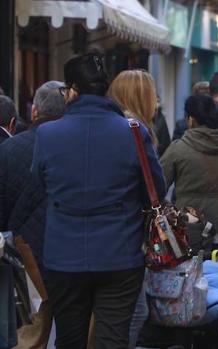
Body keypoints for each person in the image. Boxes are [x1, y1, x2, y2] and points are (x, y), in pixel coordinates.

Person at [31, 52, 166, 349]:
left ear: (72, 90)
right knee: (112, 339)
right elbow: (156, 187)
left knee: (68, 338)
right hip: (120, 252)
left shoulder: (48, 134)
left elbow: (39, 184)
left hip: (63, 254)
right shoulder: (133, 131)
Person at [0, 81, 66, 348]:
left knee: (29, 334)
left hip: (24, 253)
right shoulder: (75, 148)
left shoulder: (10, 149)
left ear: (35, 111)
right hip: (71, 251)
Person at [107, 69, 162, 348]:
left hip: (112, 235)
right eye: (152, 95)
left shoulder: (116, 125)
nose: (157, 101)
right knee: (135, 313)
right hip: (127, 236)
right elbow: (153, 185)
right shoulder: (133, 130)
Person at [160, 94, 218, 249]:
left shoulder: (178, 149)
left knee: (190, 271)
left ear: (191, 119)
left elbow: (158, 187)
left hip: (189, 228)